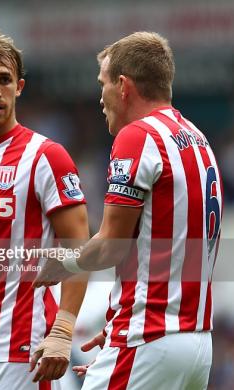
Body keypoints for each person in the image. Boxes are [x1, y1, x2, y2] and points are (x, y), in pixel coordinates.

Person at [33, 32, 223, 389]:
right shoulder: (197, 138)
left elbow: (111, 245)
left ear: (123, 85)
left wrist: (63, 261)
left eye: (102, 84)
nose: (99, 97)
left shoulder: (138, 136)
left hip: (148, 338)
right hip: (196, 345)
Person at [0, 27, 89, 389]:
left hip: (23, 350)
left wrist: (63, 331)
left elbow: (80, 247)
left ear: (20, 86)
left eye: (5, 79)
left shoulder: (47, 156)